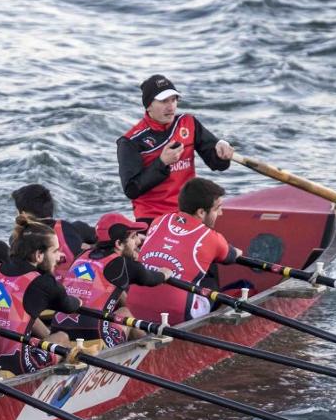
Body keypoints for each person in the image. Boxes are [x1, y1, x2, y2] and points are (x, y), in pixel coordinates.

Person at [116, 74, 235, 221]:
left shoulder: (188, 123)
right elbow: (131, 190)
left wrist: (222, 152)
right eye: (164, 101)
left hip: (187, 212)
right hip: (153, 216)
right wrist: (162, 163)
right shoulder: (130, 141)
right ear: (148, 105)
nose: (170, 106)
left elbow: (217, 164)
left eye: (173, 100)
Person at [126, 177, 242, 326]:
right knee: (210, 278)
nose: (221, 213)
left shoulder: (159, 221)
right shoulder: (212, 238)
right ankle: (212, 322)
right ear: (201, 212)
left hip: (134, 308)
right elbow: (232, 256)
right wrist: (236, 251)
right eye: (217, 208)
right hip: (179, 315)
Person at [0, 216, 82, 375]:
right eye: (55, 251)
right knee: (62, 337)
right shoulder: (43, 283)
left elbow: (23, 309)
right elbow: (69, 306)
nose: (60, 257)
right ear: (39, 255)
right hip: (15, 363)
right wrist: (79, 302)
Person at [51, 213, 170, 347]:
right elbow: (152, 279)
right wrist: (164, 273)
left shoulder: (82, 256)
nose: (138, 241)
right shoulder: (123, 264)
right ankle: (147, 352)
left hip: (59, 328)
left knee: (115, 296)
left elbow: (100, 285)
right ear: (118, 243)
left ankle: (143, 342)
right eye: (133, 237)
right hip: (94, 334)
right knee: (125, 313)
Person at [10, 183, 96, 279]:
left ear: (23, 214)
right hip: (78, 287)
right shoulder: (75, 228)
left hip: (43, 289)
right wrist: (91, 248)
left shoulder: (18, 239)